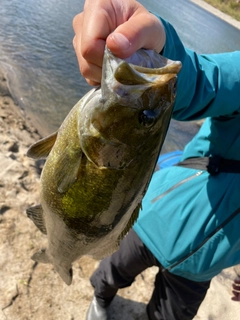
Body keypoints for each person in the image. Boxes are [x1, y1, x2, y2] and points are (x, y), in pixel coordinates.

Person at [72, 0, 240, 319]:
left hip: (208, 265)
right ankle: (100, 301)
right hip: (158, 215)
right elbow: (203, 82)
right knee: (112, 272)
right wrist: (158, 47)